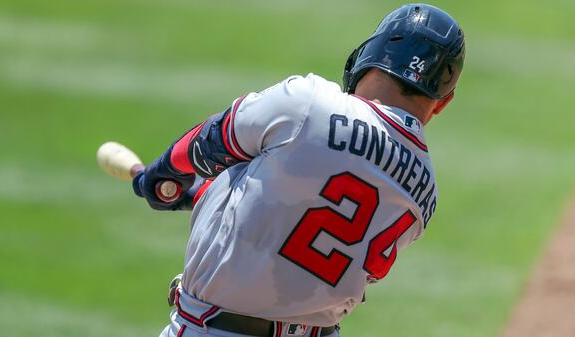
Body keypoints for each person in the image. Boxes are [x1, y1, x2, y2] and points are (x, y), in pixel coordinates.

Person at [132, 4, 465, 337]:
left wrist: (162, 175)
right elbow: (317, 233)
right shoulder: (425, 192)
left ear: (371, 53)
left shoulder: (309, 103)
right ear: (443, 102)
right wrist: (205, 195)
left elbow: (209, 143)